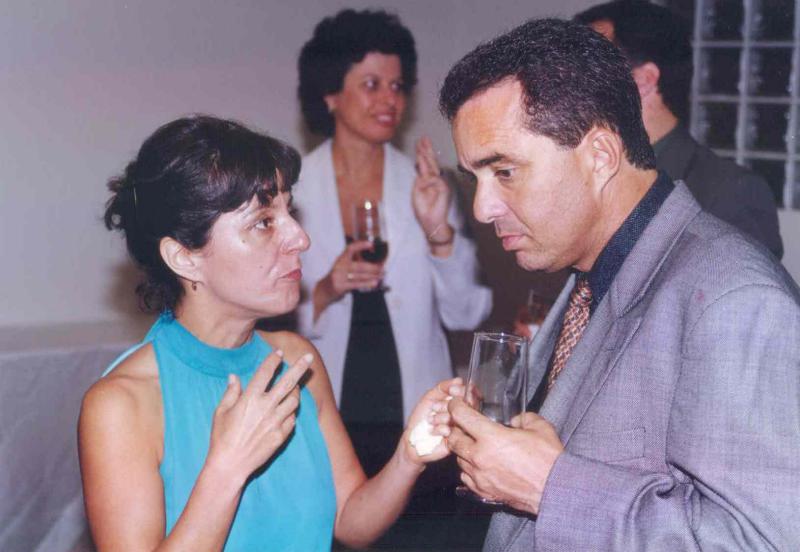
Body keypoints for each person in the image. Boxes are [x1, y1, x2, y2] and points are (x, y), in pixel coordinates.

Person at [436, 18, 800, 551]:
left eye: (505, 172)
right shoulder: (591, 273)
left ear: (601, 156)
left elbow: (763, 542)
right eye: (475, 179)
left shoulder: (735, 300)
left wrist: (549, 488)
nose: (482, 208)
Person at [78, 116, 456, 551]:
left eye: (288, 212)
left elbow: (351, 520)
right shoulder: (120, 405)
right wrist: (227, 468)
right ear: (184, 258)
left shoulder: (295, 361)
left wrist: (409, 454)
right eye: (263, 222)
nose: (300, 238)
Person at [294, 9, 491, 476]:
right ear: (330, 95)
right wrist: (325, 290)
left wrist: (438, 230)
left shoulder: (425, 185)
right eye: (371, 84)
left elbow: (467, 313)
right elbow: (266, 321)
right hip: (328, 406)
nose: (390, 100)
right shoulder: (294, 190)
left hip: (415, 412)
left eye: (398, 86)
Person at [575, 0, 783, 259]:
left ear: (643, 81)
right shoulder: (584, 173)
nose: (570, 84)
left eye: (590, 69)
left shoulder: (730, 192)